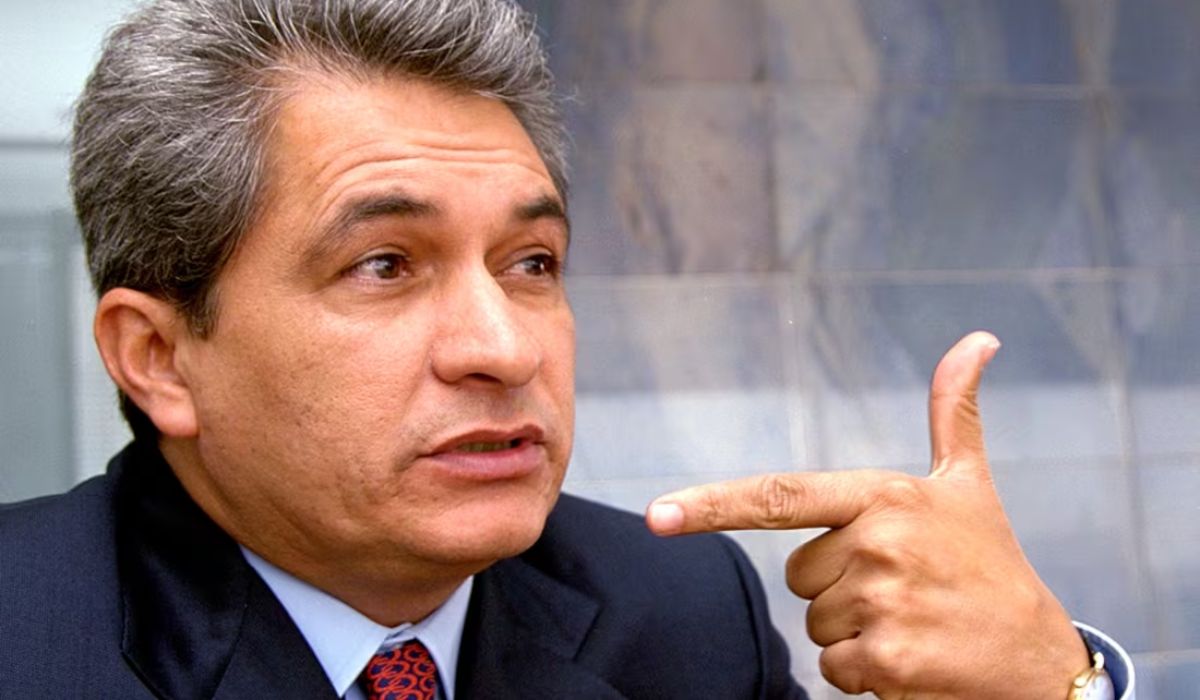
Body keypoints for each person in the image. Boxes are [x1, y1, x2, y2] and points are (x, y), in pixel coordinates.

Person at [0, 0, 1132, 698]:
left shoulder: (678, 610)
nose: (501, 347)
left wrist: (1050, 688)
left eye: (532, 262)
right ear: (158, 356)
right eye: (385, 264)